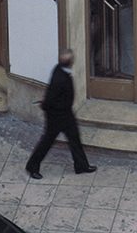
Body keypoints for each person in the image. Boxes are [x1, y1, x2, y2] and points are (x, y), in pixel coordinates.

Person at [25, 50, 95, 178]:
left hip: (65, 114)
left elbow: (51, 93)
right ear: (71, 63)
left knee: (74, 139)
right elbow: (51, 97)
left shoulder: (59, 69)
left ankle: (81, 165)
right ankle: (32, 167)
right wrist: (45, 104)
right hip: (57, 116)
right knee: (47, 142)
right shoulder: (60, 78)